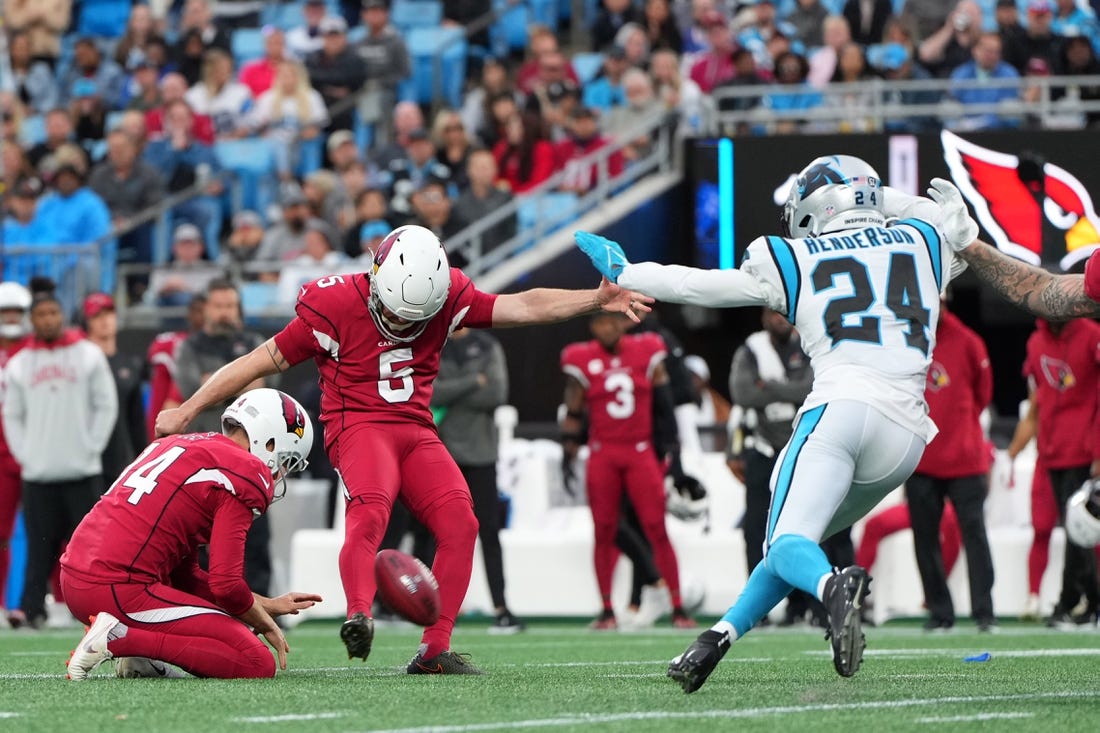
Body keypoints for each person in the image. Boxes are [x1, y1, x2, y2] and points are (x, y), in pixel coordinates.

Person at [154, 224, 651, 674]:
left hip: (415, 426)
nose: (400, 323)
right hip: (356, 424)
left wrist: (592, 299)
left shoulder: (450, 292)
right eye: (392, 312)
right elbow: (256, 360)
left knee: (462, 522)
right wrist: (188, 408)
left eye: (414, 317)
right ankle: (358, 616)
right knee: (370, 511)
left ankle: (435, 651)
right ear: (375, 279)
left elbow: (521, 306)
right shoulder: (331, 303)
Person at [575, 155, 971, 691]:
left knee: (786, 543)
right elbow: (944, 220)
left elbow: (697, 286)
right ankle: (717, 637)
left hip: (841, 410)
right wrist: (885, 199)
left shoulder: (789, 255)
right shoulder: (923, 240)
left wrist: (626, 273)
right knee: (791, 546)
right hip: (905, 439)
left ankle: (833, 590)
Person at [62, 388, 320, 680]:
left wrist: (265, 604)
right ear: (270, 443)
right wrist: (263, 621)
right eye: (286, 462)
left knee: (214, 619)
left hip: (77, 579)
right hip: (117, 588)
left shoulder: (179, 444)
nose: (281, 474)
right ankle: (121, 639)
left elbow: (185, 577)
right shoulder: (246, 471)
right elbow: (226, 585)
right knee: (255, 662)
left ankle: (138, 654)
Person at [561, 311, 696, 630]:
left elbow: (665, 405)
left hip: (640, 449)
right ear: (592, 327)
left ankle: (677, 606)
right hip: (602, 451)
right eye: (601, 323)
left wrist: (673, 453)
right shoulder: (580, 358)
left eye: (612, 322)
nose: (607, 328)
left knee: (656, 526)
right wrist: (567, 450)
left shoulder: (648, 349)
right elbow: (573, 407)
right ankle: (607, 608)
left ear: (622, 323)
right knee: (604, 529)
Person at [2, 279, 118, 630]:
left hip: (82, 469)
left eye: (53, 312)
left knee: (89, 547)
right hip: (38, 473)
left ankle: (92, 609)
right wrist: (26, 455)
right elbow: (11, 414)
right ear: (32, 320)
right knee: (39, 549)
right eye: (41, 314)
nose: (48, 319)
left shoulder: (88, 354)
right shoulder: (20, 363)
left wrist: (91, 447)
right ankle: (31, 609)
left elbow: (105, 406)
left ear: (62, 315)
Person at [175, 280, 273, 597]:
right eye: (218, 306)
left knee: (255, 532)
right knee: (202, 534)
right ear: (205, 310)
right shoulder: (190, 346)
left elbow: (263, 389)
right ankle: (205, 603)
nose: (224, 313)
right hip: (205, 458)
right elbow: (191, 385)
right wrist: (240, 381)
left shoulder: (255, 342)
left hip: (250, 455)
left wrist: (213, 384)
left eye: (230, 306)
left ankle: (261, 601)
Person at [906, 298, 997, 632]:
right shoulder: (907, 341)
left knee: (975, 535)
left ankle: (984, 612)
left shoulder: (969, 342)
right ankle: (940, 612)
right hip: (920, 458)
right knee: (925, 538)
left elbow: (983, 394)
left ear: (946, 303)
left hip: (965, 459)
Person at [432, 327, 525, 633]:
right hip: (443, 452)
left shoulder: (486, 345)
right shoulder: (434, 343)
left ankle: (501, 606)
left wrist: (452, 390)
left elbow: (497, 393)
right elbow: (429, 392)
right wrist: (474, 381)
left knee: (488, 532)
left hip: (481, 453)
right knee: (438, 534)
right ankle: (435, 608)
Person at [1021, 317, 1100, 626]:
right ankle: (1084, 601)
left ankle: (1076, 601)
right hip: (1052, 453)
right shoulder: (1035, 341)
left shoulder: (1092, 335)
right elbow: (1037, 399)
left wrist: (1097, 448)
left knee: (1079, 531)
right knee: (1073, 531)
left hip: (1082, 449)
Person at [83, 293, 146, 487]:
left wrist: (143, 458)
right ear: (87, 323)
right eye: (97, 316)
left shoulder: (130, 364)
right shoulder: (79, 364)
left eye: (109, 313)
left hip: (121, 456)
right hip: (86, 458)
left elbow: (136, 419)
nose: (105, 321)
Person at [0, 283, 32, 625]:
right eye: (4, 311)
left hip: (36, 451)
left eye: (15, 312)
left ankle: (54, 602)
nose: (10, 318)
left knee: (52, 530)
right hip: (1, 454)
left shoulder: (36, 350)